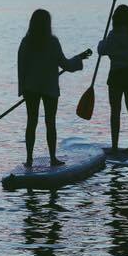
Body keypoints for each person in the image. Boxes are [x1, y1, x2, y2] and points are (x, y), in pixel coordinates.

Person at [18, 9, 91, 167]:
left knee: (32, 122)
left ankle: (29, 159)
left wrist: (22, 89)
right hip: (49, 88)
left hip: (30, 88)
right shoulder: (52, 42)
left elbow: (21, 66)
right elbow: (65, 64)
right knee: (50, 123)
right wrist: (78, 60)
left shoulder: (26, 42)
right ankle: (52, 158)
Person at [98, 4, 128, 154]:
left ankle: (114, 146)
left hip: (117, 74)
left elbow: (101, 50)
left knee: (115, 111)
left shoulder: (114, 34)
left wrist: (102, 41)